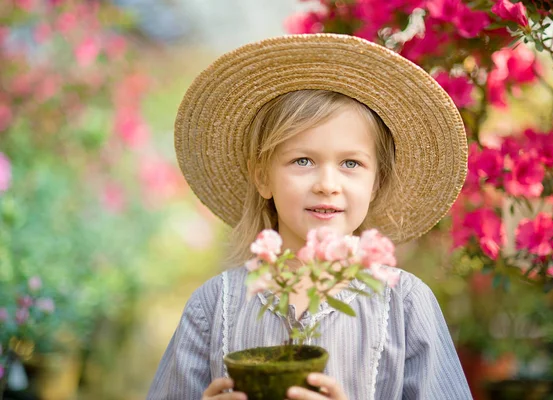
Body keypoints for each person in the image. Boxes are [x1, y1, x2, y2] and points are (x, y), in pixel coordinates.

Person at [148, 34, 472, 399]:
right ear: (262, 177)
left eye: (351, 163)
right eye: (303, 161)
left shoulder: (405, 304)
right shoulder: (214, 305)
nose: (327, 184)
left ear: (376, 182)